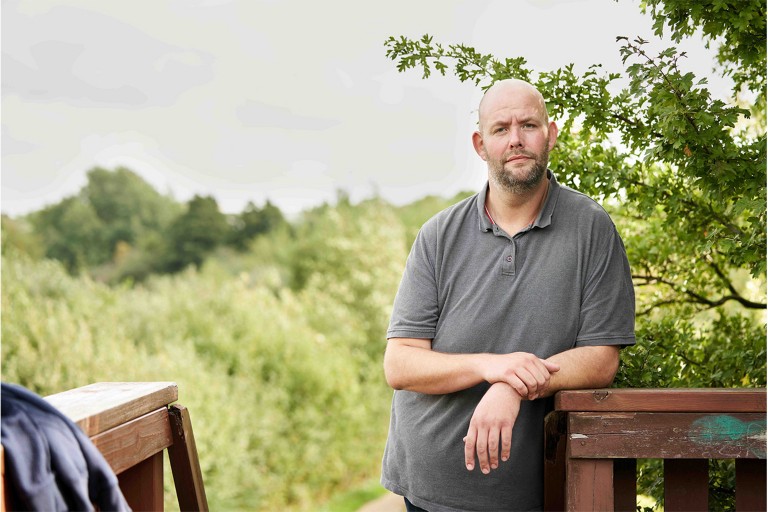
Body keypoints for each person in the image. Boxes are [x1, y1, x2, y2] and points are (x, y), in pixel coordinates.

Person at [380, 79, 635, 511]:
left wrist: (512, 387)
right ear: (481, 144)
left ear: (550, 134)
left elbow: (600, 358)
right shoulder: (438, 235)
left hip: (526, 493)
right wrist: (492, 367)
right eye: (501, 129)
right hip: (427, 489)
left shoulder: (592, 228)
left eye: (528, 125)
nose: (515, 139)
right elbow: (400, 362)